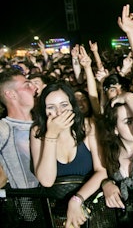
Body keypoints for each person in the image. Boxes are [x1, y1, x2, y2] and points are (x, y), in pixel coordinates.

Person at [30, 81, 107, 228]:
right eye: (51, 107)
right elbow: (46, 180)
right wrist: (51, 135)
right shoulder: (37, 132)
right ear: (43, 110)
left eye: (64, 105)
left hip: (89, 209)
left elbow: (102, 171)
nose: (59, 112)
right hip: (57, 216)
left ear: (72, 105)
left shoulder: (88, 126)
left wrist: (77, 200)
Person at [0, 68, 39, 189]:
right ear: (11, 94)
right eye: (27, 86)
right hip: (23, 204)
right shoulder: (3, 129)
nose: (35, 88)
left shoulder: (45, 124)